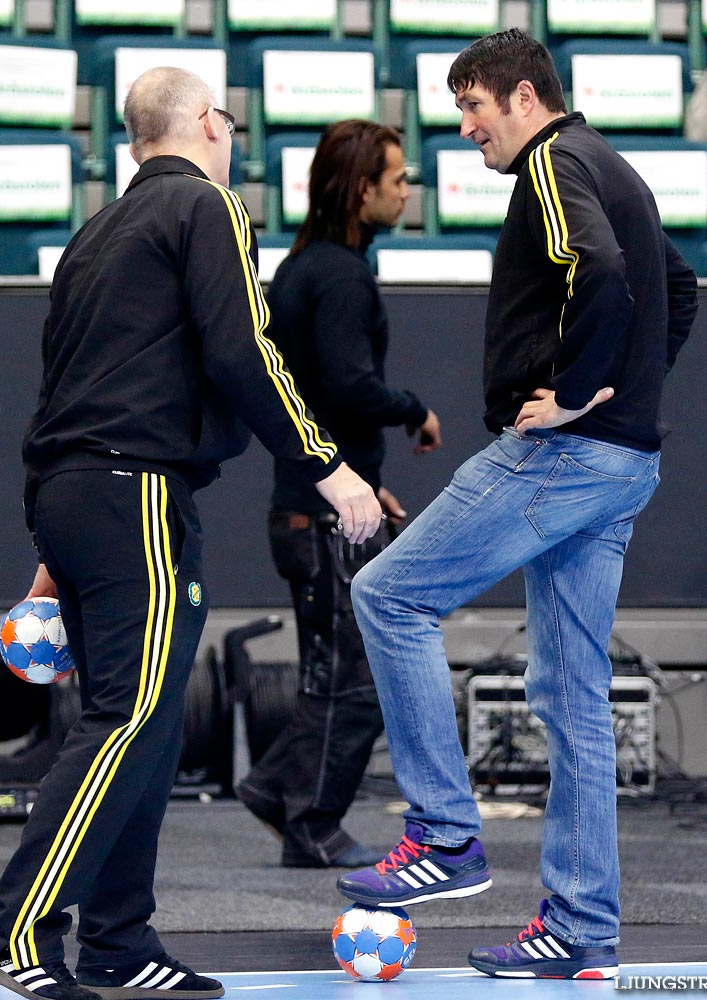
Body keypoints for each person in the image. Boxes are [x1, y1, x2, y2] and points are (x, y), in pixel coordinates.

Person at [0, 66, 382, 1000]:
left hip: (76, 491)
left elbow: (66, 379)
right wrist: (327, 462)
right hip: (135, 488)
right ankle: (17, 930)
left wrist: (50, 540)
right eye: (227, 119)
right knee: (130, 720)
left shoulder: (94, 234)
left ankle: (119, 941)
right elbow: (245, 348)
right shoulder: (207, 207)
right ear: (206, 123)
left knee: (143, 726)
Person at [335, 29, 698, 981]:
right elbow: (679, 287)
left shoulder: (552, 164)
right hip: (623, 464)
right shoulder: (611, 163)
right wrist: (630, 394)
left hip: (563, 456)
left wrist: (578, 391)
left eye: (473, 109)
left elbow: (610, 275)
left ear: (525, 100)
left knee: (387, 596)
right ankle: (580, 928)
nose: (464, 130)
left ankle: (445, 836)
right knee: (571, 700)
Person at [235, 121, 442, 869]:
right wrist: (414, 408)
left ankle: (270, 788)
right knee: (351, 676)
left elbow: (317, 394)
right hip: (319, 518)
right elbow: (350, 385)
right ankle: (314, 824)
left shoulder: (305, 268)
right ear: (362, 190)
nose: (406, 190)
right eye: (396, 179)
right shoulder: (340, 277)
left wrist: (367, 482)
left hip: (312, 505)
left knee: (335, 667)